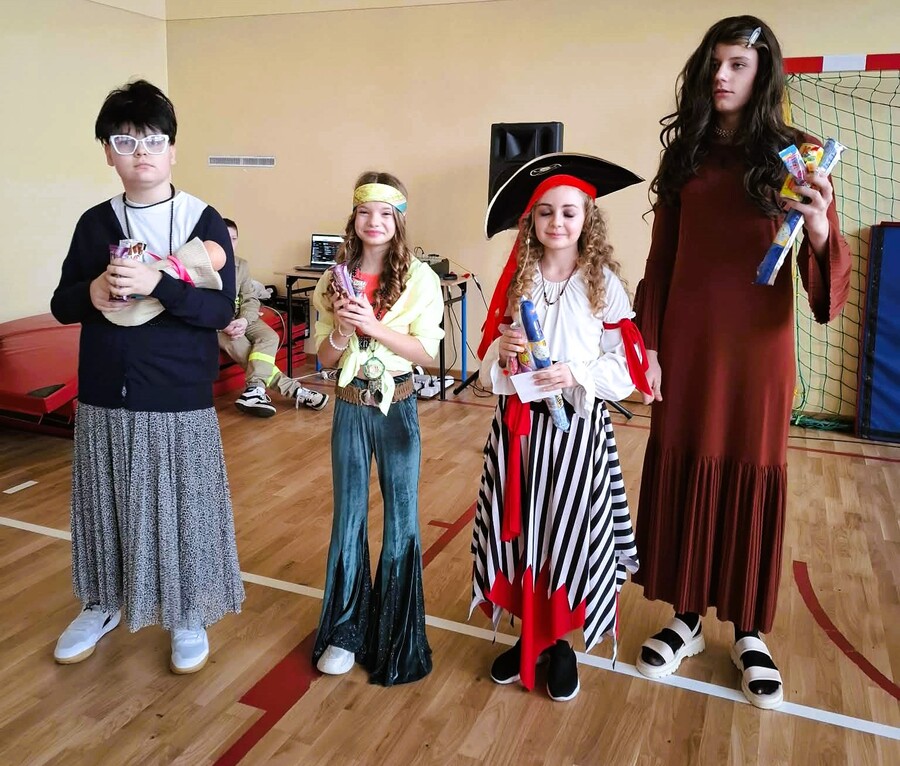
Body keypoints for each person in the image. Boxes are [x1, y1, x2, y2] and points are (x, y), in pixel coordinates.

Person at [632, 16, 851, 709]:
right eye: (715, 64)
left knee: (751, 473)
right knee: (684, 460)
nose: (722, 76)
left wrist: (819, 225)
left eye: (738, 65)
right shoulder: (686, 155)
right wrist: (648, 346)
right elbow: (662, 259)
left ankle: (749, 630)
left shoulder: (800, 156)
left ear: (763, 75)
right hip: (687, 342)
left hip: (759, 347)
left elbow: (826, 278)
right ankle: (687, 616)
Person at [50, 79, 245, 674]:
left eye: (154, 140)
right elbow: (62, 304)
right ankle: (102, 602)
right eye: (125, 141)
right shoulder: (95, 223)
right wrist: (93, 290)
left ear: (173, 149)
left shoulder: (200, 221)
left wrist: (160, 283)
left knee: (182, 511)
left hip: (177, 393)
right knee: (104, 506)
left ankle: (187, 614)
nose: (141, 152)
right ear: (108, 152)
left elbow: (220, 311)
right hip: (104, 392)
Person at [472, 153, 646, 701]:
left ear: (587, 219)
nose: (557, 222)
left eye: (569, 212)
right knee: (525, 532)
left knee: (567, 532)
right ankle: (531, 635)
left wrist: (576, 373)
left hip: (577, 434)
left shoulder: (604, 285)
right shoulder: (517, 281)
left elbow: (626, 369)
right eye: (545, 212)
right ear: (532, 221)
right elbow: (487, 370)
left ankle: (561, 643)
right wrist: (506, 353)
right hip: (520, 433)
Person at [311, 171, 444, 685]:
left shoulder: (420, 279)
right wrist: (342, 331)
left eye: (385, 213)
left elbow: (425, 353)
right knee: (347, 517)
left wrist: (372, 326)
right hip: (349, 405)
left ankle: (393, 635)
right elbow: (324, 358)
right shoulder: (333, 279)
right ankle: (345, 631)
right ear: (354, 217)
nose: (374, 221)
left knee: (402, 518)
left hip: (397, 407)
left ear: (398, 220)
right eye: (365, 211)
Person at [218, 218, 329, 416]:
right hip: (218, 325)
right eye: (223, 238)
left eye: (233, 239)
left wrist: (244, 319)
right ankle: (296, 391)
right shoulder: (203, 267)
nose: (229, 243)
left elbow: (250, 298)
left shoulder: (241, 265)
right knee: (244, 349)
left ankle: (254, 390)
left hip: (242, 318)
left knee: (270, 337)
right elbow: (200, 305)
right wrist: (223, 323)